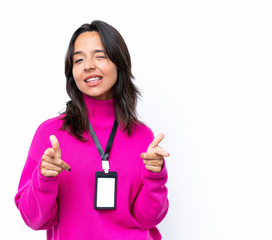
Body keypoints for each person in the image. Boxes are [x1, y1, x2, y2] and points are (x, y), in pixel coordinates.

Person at [14, 20, 170, 240]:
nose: (88, 65)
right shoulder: (51, 134)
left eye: (100, 56)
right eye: (79, 59)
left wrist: (155, 177)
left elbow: (148, 219)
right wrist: (43, 178)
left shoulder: (142, 136)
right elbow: (34, 219)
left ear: (119, 63)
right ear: (72, 72)